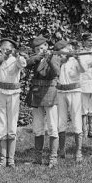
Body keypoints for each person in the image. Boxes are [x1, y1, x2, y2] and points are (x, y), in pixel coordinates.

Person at [0, 37, 27, 167]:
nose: (5, 51)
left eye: (8, 49)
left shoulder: (16, 60)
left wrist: (18, 55)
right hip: (1, 93)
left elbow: (23, 64)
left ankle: (11, 159)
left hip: (13, 94)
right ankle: (3, 159)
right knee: (2, 123)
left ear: (13, 50)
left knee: (12, 124)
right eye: (3, 49)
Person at [26, 35, 60, 168]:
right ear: (34, 50)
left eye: (44, 46)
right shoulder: (34, 59)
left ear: (47, 47)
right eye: (38, 48)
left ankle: (53, 158)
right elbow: (26, 64)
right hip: (36, 92)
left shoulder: (54, 57)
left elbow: (56, 72)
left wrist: (49, 59)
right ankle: (37, 158)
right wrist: (37, 57)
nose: (42, 49)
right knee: (38, 127)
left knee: (52, 127)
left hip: (50, 92)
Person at [54, 39, 89, 162]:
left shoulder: (75, 60)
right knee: (61, 120)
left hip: (74, 92)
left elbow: (84, 69)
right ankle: (62, 150)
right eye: (60, 52)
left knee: (76, 119)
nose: (63, 54)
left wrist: (78, 58)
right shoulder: (58, 62)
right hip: (61, 92)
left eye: (65, 51)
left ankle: (78, 151)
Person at [78, 33, 92, 139]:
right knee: (83, 108)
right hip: (83, 82)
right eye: (89, 40)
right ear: (83, 42)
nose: (91, 42)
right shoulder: (81, 53)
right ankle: (84, 131)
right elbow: (84, 65)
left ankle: (91, 130)